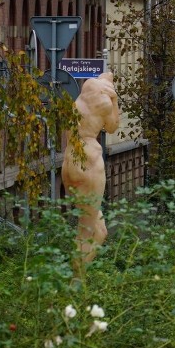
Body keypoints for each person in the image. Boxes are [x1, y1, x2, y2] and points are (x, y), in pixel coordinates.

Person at [62, 71, 120, 279]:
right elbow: (113, 127)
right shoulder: (105, 102)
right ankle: (74, 284)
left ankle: (78, 277)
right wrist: (114, 100)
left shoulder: (80, 99)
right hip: (89, 160)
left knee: (99, 231)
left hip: (70, 159)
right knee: (86, 231)